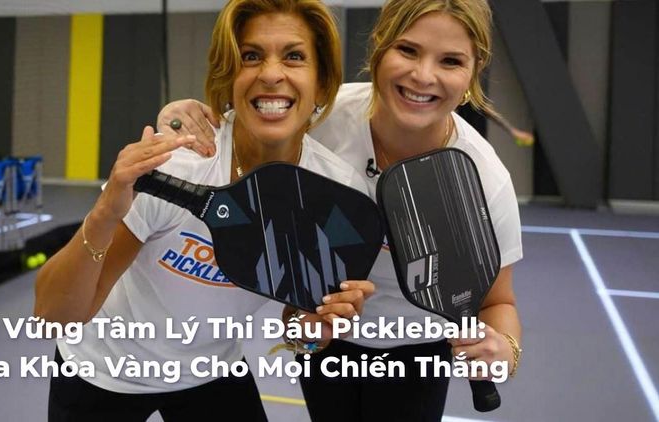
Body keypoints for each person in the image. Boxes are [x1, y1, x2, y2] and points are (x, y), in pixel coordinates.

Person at [156, 0, 524, 420]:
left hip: (419, 349)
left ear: (474, 72)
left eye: (451, 61)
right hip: (325, 340)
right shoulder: (320, 120)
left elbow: (498, 302)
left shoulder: (485, 180)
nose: (423, 76)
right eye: (408, 50)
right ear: (379, 47)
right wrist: (185, 115)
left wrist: (505, 350)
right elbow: (244, 124)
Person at [34, 1, 375, 420]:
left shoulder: (334, 193)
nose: (271, 74)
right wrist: (106, 212)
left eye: (293, 56)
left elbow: (299, 323)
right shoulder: (178, 163)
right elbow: (52, 317)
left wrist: (311, 332)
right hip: (106, 369)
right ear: (228, 78)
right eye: (250, 56)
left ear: (321, 85)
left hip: (212, 369)